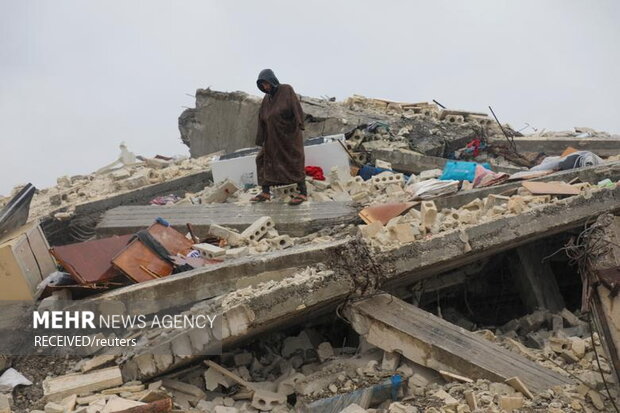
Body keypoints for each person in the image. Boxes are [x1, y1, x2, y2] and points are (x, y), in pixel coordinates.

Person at [250, 69, 307, 205]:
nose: (265, 87)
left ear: (272, 80)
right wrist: (261, 138)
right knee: (262, 159)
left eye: (266, 83)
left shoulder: (286, 90)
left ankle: (303, 192)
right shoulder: (266, 99)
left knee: (294, 160)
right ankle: (265, 191)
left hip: (288, 136)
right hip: (272, 139)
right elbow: (262, 119)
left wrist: (300, 123)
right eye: (262, 85)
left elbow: (296, 107)